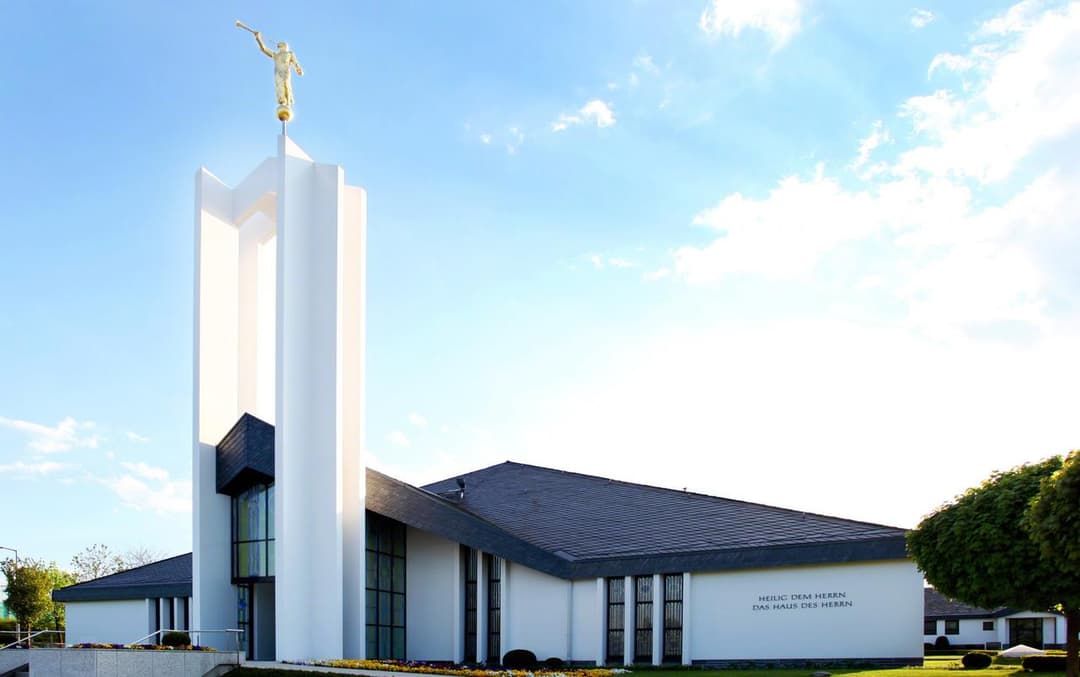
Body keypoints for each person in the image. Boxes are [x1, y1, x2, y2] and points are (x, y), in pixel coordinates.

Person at [252, 32, 304, 107]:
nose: (278, 47)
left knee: (286, 85)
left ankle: (288, 102)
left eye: (280, 45)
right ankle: (282, 101)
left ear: (284, 46)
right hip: (278, 73)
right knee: (280, 87)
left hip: (286, 72)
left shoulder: (289, 53)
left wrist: (298, 69)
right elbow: (264, 49)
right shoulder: (276, 55)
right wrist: (258, 39)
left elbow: (295, 62)